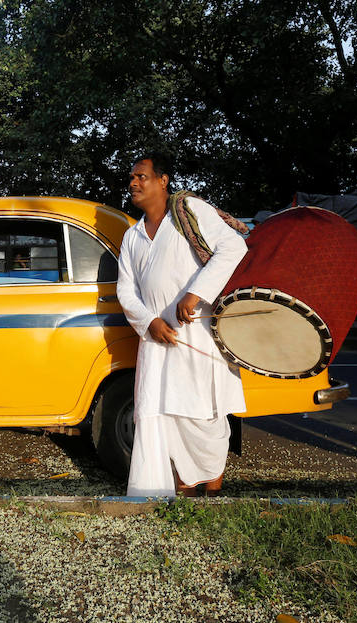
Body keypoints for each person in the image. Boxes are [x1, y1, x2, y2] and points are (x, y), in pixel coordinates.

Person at [116, 154, 247, 497]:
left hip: (197, 336)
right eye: (131, 177)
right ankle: (176, 484)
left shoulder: (189, 212)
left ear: (163, 180)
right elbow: (125, 289)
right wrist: (149, 322)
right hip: (155, 340)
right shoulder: (132, 236)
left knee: (201, 414)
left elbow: (233, 246)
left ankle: (211, 477)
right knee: (160, 414)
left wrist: (196, 294)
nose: (133, 183)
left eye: (141, 176)